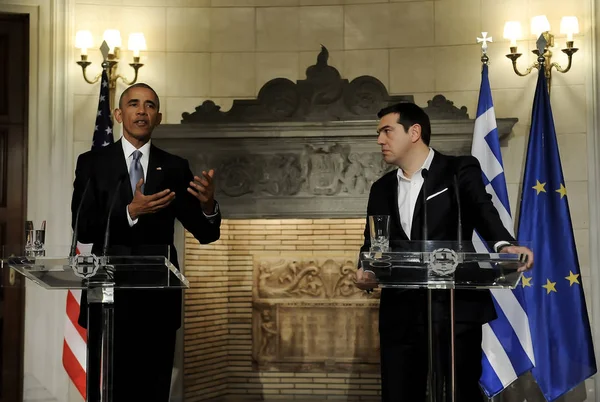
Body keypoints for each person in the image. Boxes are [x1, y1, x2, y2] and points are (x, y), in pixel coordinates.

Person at [355, 102, 534, 402]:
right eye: (379, 133)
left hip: (453, 310)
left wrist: (504, 244)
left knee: (459, 394)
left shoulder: (458, 171)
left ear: (414, 132)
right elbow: (372, 244)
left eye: (386, 131)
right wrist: (366, 269)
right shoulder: (381, 188)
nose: (379, 140)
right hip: (400, 315)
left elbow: (483, 211)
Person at [71, 83, 222, 401]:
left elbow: (206, 233)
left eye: (150, 106)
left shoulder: (174, 168)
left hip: (156, 303)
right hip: (107, 298)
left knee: (153, 392)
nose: (142, 110)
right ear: (118, 114)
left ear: (158, 117)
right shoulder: (93, 163)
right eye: (134, 104)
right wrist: (129, 211)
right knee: (109, 391)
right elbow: (83, 228)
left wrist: (208, 206)